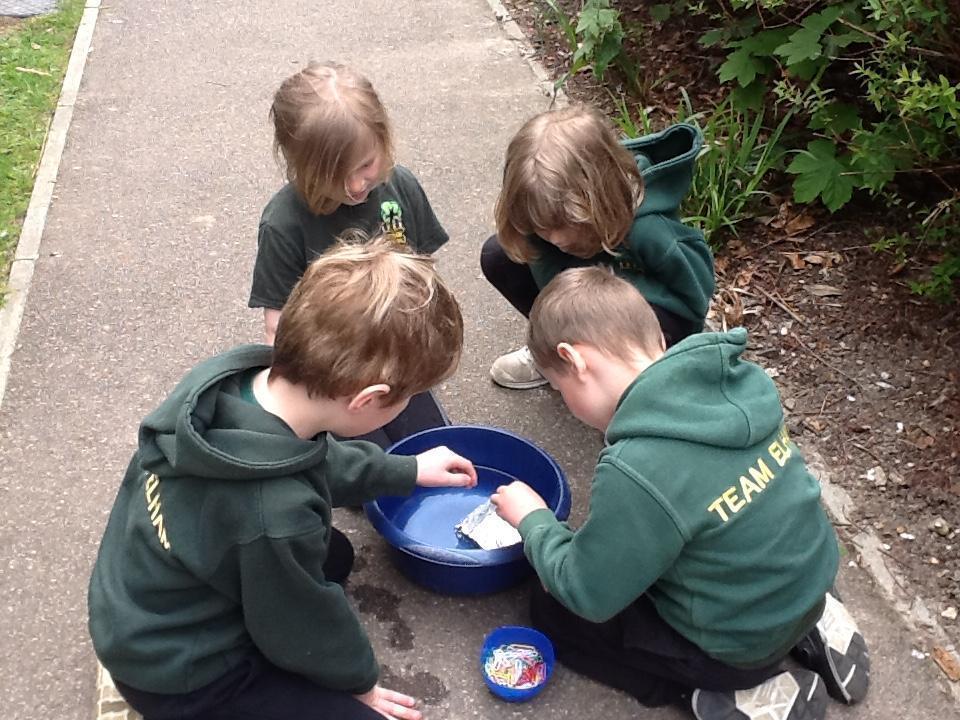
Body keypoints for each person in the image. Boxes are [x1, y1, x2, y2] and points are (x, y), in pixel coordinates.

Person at [89, 237, 477, 720]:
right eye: (408, 398)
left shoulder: (233, 387)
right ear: (367, 400)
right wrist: (358, 681)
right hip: (181, 674)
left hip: (139, 601)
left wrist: (406, 469)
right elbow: (299, 625)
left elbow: (305, 461)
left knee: (330, 553)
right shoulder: (276, 516)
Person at [490, 266, 870, 720]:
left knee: (553, 609)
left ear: (575, 361)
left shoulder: (638, 468)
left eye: (560, 388)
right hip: (811, 583)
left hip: (736, 650)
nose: (567, 404)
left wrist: (534, 521)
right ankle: (821, 628)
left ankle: (719, 693)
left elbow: (587, 592)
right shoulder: (744, 383)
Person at [249, 60, 450, 445]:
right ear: (298, 164)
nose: (356, 185)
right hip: (334, 380)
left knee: (433, 446)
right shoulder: (283, 223)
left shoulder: (400, 187)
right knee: (367, 469)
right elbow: (277, 327)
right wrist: (300, 411)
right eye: (334, 175)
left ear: (383, 139)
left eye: (366, 164)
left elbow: (424, 272)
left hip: (397, 357)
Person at [481, 104, 715, 390]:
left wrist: (617, 309)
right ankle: (557, 351)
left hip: (639, 320)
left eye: (563, 224)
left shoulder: (652, 231)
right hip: (580, 298)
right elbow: (544, 265)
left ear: (598, 201)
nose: (554, 238)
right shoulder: (544, 219)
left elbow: (692, 307)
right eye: (541, 227)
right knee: (498, 255)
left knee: (625, 318)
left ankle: (632, 380)